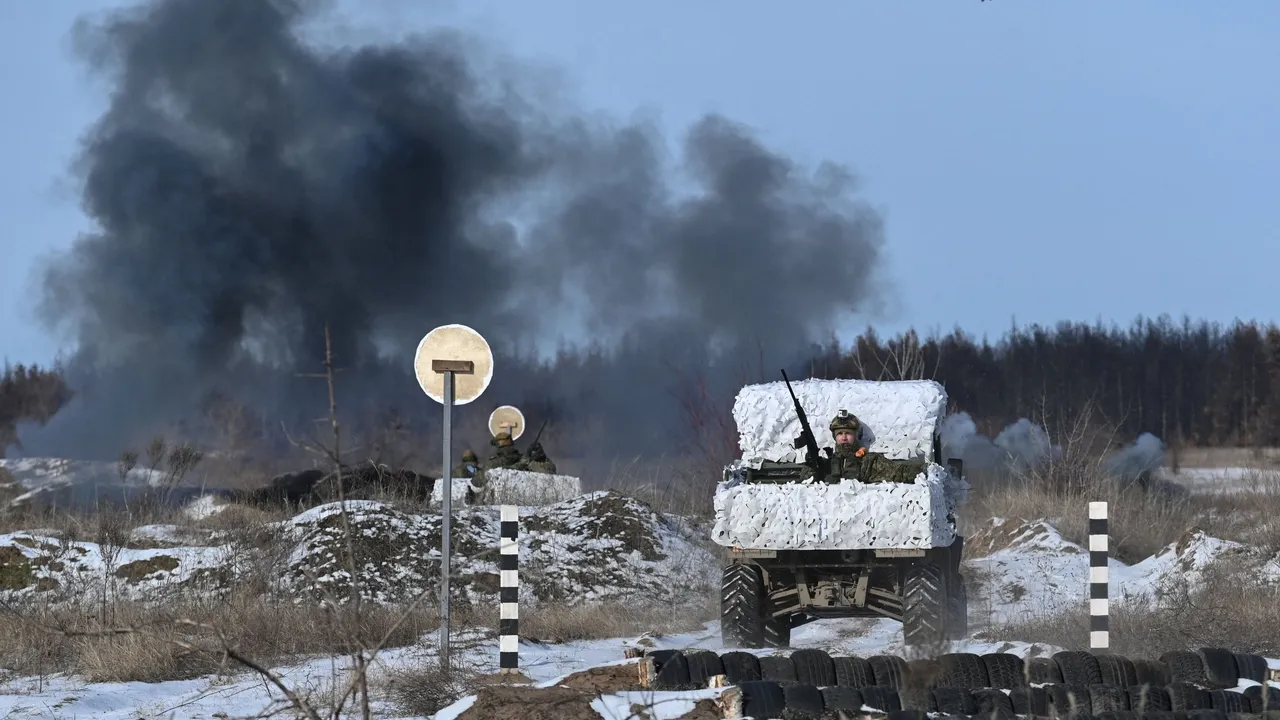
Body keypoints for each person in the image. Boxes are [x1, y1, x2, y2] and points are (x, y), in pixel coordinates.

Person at [800, 410, 926, 483]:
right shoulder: (825, 464)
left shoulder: (869, 461)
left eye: (848, 433)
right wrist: (810, 465)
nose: (844, 437)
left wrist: (923, 471)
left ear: (856, 436)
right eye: (839, 434)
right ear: (834, 437)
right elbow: (807, 484)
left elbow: (898, 473)